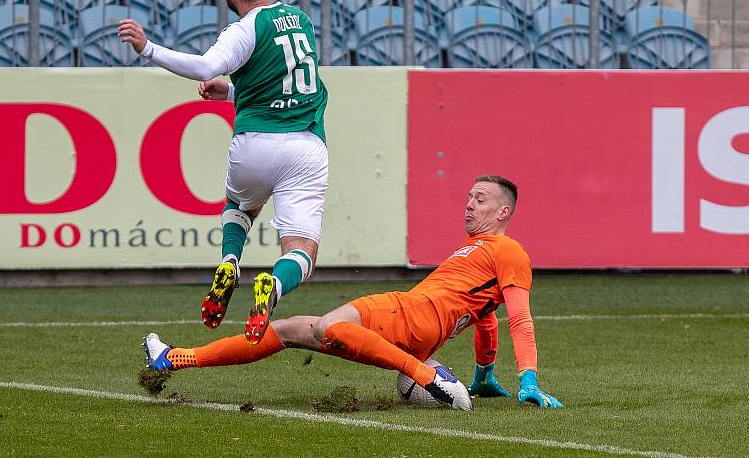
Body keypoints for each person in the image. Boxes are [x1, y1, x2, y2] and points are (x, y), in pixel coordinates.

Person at [143, 175, 563, 410]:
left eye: (481, 200)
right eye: (468, 196)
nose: (469, 204)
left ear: (504, 212)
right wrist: (485, 376)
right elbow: (486, 314)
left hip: (411, 313)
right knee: (288, 329)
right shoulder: (478, 252)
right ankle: (174, 359)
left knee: (331, 325)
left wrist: (528, 378)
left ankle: (427, 376)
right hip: (422, 327)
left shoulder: (509, 250)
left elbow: (520, 318)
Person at [118, 0, 329, 345]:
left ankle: (231, 261)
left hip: (255, 147)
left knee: (241, 206)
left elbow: (204, 66)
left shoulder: (244, 29)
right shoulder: (300, 21)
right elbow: (283, 82)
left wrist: (147, 48)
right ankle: (274, 287)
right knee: (300, 253)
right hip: (304, 147)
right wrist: (233, 92)